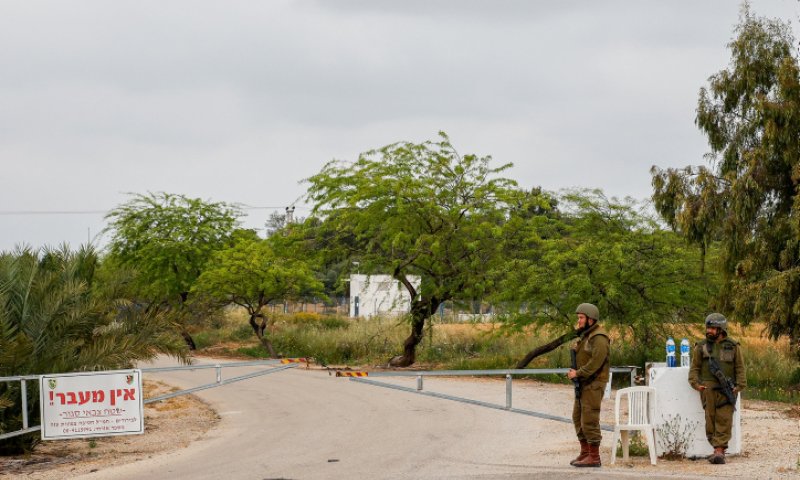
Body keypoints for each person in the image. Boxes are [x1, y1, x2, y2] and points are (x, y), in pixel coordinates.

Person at [688, 313, 746, 465]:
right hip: (708, 390)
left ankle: (719, 451)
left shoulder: (733, 346)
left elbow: (740, 368)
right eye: (708, 328)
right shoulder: (701, 347)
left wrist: (739, 386)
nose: (710, 331)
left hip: (727, 390)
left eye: (713, 328)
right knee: (710, 419)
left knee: (724, 419)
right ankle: (716, 449)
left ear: (721, 329)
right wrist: (695, 384)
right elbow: (694, 368)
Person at [567, 303, 610, 468]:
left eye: (581, 318)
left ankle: (594, 456)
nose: (578, 321)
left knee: (590, 419)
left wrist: (578, 373)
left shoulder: (599, 337)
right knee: (577, 417)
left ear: (590, 319)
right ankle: (585, 452)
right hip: (583, 383)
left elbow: (596, 363)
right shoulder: (586, 335)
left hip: (594, 383)